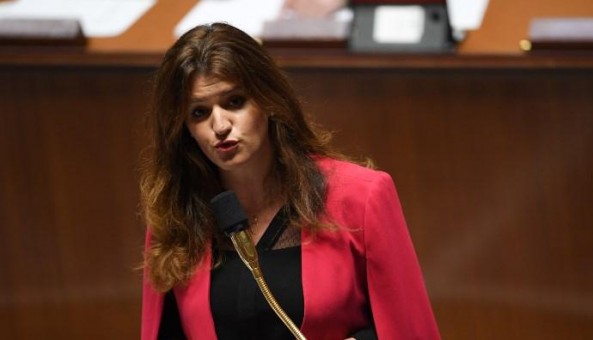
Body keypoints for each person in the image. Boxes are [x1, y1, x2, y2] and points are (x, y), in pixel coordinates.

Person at [139, 22, 440, 340]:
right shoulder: (175, 218)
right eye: (199, 113)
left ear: (268, 102)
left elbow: (409, 328)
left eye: (234, 102)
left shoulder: (361, 199)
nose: (220, 125)